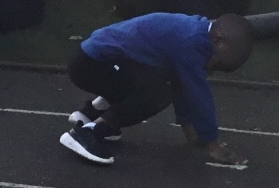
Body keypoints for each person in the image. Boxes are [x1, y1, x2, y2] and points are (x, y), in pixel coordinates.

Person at [59, 12, 253, 167]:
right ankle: (88, 134)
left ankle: (90, 114)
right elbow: (198, 95)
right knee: (158, 94)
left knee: (160, 80)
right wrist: (213, 144)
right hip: (91, 66)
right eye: (218, 62)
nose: (213, 68)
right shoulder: (192, 42)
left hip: (97, 62)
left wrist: (192, 135)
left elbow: (182, 87)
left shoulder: (197, 33)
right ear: (219, 40)